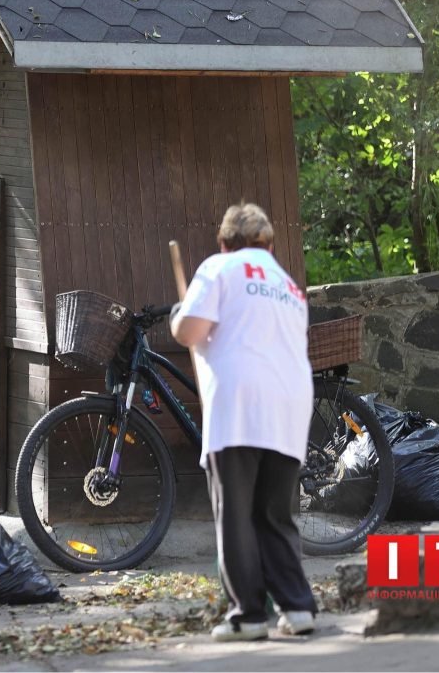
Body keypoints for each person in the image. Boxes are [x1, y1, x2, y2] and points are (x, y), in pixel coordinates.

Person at [170, 202, 318, 642]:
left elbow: (190, 332)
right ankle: (298, 607)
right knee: (275, 515)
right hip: (290, 405)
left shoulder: (219, 268)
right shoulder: (289, 286)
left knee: (234, 514)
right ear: (269, 244)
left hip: (239, 406)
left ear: (224, 241)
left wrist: (179, 315)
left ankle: (248, 615)